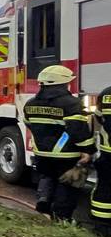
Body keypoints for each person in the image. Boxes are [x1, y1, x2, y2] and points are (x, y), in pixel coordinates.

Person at [23, 65, 94, 221]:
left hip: (41, 153)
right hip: (66, 155)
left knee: (47, 177)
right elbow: (78, 130)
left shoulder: (30, 103)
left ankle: (43, 206)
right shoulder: (71, 103)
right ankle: (62, 219)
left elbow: (29, 124)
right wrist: (88, 150)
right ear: (63, 83)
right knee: (68, 185)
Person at [91, 84, 111, 236]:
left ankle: (101, 226)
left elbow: (98, 116)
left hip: (107, 153)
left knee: (104, 187)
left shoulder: (106, 93)